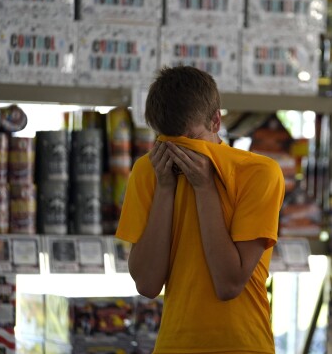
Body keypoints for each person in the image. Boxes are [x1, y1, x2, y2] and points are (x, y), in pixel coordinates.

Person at [115, 66, 285, 354]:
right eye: (168, 143)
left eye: (190, 141)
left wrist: (205, 188)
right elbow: (147, 284)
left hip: (242, 344)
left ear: (216, 121)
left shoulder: (257, 172)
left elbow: (228, 284)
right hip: (174, 343)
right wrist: (165, 189)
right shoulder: (151, 169)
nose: (179, 153)